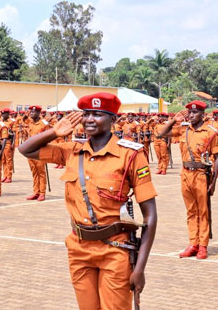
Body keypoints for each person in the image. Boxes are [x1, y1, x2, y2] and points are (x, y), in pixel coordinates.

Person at [18, 92, 157, 310]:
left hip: (115, 249)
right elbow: (26, 149)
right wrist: (54, 132)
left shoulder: (130, 155)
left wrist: (140, 268)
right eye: (87, 114)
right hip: (79, 248)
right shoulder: (72, 151)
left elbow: (150, 215)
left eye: (98, 114)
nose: (90, 119)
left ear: (113, 119)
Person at [160, 101, 218, 259]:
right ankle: (193, 243)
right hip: (186, 174)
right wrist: (174, 119)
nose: (191, 116)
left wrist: (213, 182)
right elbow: (162, 133)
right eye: (189, 113)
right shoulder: (183, 130)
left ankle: (203, 245)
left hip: (202, 174)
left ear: (202, 114)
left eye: (195, 113)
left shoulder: (210, 132)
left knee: (203, 211)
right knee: (191, 211)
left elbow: (217, 158)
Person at [24, 105, 49, 201]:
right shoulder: (30, 123)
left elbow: (48, 137)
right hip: (31, 151)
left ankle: (42, 192)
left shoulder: (44, 124)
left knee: (41, 172)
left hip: (40, 151)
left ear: (39, 113)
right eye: (31, 112)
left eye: (34, 112)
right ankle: (36, 191)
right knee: (34, 172)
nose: (31, 113)